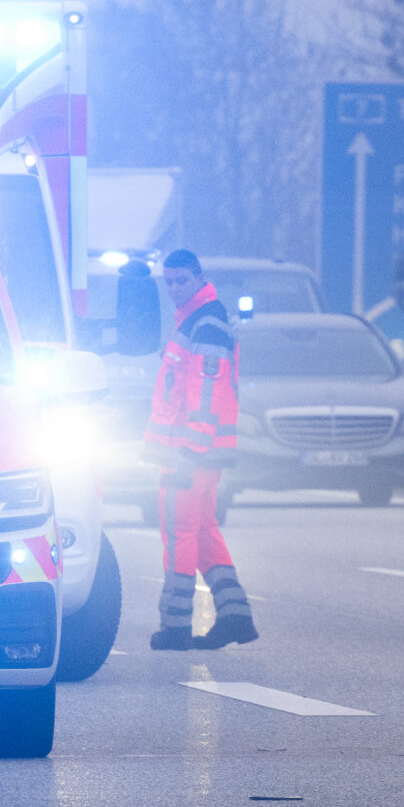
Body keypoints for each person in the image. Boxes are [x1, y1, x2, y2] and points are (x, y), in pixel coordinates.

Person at [143, 248, 256, 650]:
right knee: (203, 529)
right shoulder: (197, 320)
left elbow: (205, 392)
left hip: (191, 451)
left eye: (181, 281)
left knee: (179, 532)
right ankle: (236, 617)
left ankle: (175, 627)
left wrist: (190, 449)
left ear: (198, 278)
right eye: (168, 282)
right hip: (200, 450)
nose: (173, 289)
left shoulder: (204, 323)